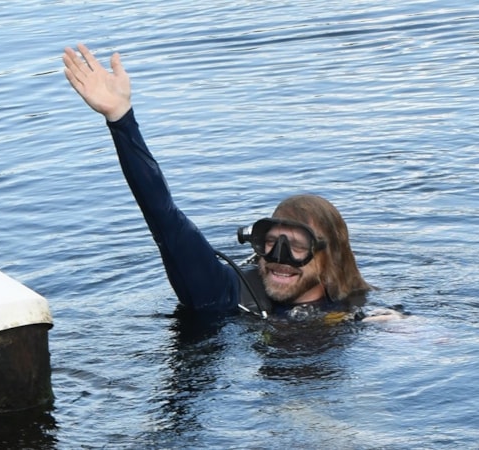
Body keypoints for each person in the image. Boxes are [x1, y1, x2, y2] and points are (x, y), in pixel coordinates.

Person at [63, 43, 377, 321]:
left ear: (329, 257)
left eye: (296, 246)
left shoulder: (362, 313)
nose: (279, 258)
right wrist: (121, 118)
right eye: (272, 241)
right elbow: (164, 217)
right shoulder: (225, 294)